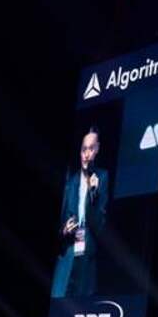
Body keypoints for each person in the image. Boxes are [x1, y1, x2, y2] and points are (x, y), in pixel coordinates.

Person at [51, 127, 108, 298]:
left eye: (91, 149)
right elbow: (58, 224)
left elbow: (100, 226)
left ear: (97, 150)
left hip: (88, 258)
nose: (86, 154)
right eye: (84, 149)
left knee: (81, 304)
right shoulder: (70, 183)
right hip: (68, 255)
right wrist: (64, 230)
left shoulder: (102, 178)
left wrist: (93, 194)